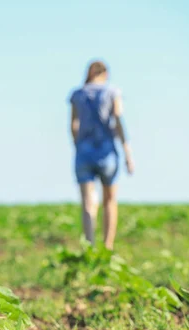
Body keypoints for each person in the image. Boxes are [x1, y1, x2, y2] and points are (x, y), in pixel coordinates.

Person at [69, 61, 134, 250]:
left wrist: (78, 146)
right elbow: (118, 120)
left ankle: (89, 245)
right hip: (107, 151)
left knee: (88, 203)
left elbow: (73, 125)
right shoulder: (112, 92)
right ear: (104, 73)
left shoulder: (77, 94)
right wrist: (128, 153)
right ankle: (107, 247)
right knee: (110, 200)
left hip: (84, 151)